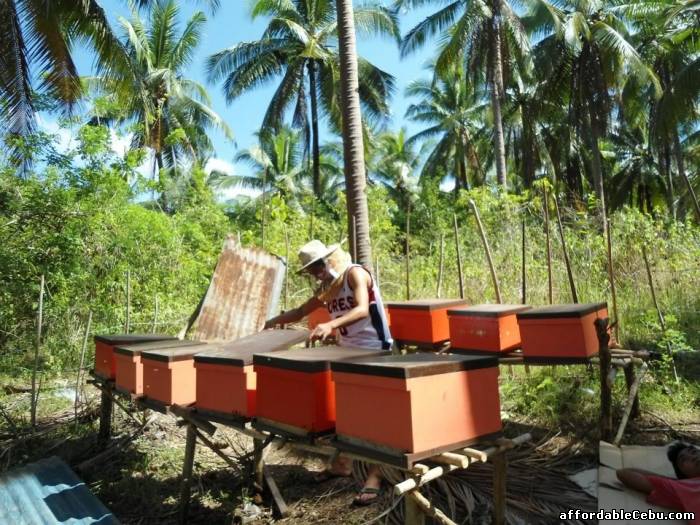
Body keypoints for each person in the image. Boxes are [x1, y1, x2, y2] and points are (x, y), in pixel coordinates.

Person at [263, 240, 392, 505]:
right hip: (347, 351)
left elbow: (361, 308)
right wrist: (274, 321)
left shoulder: (355, 273)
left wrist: (329, 324)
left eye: (318, 265)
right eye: (311, 270)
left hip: (375, 349)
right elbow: (300, 311)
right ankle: (343, 463)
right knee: (346, 410)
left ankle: (377, 474)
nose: (317, 272)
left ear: (331, 259)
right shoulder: (327, 288)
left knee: (376, 414)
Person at [616, 442, 700, 524]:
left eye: (694, 452)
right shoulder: (683, 488)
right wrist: (675, 482)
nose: (692, 457)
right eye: (683, 460)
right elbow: (624, 473)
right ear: (683, 474)